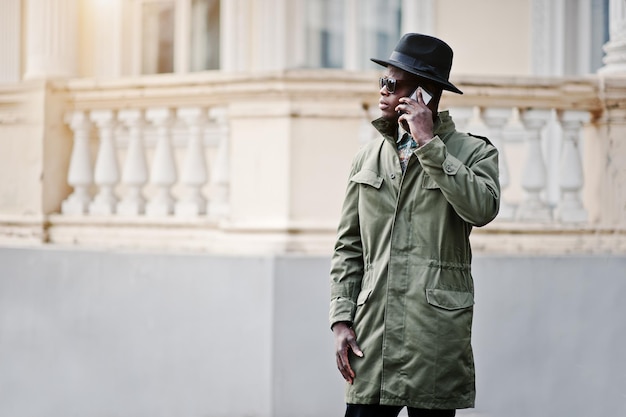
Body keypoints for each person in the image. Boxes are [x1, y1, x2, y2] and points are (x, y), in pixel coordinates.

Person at [329, 33, 501, 417]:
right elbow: (348, 247)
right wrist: (341, 320)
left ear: (422, 93)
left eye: (393, 84)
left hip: (435, 336)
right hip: (373, 334)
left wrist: (429, 145)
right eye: (382, 81)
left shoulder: (475, 152)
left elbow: (482, 209)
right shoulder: (368, 158)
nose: (383, 91)